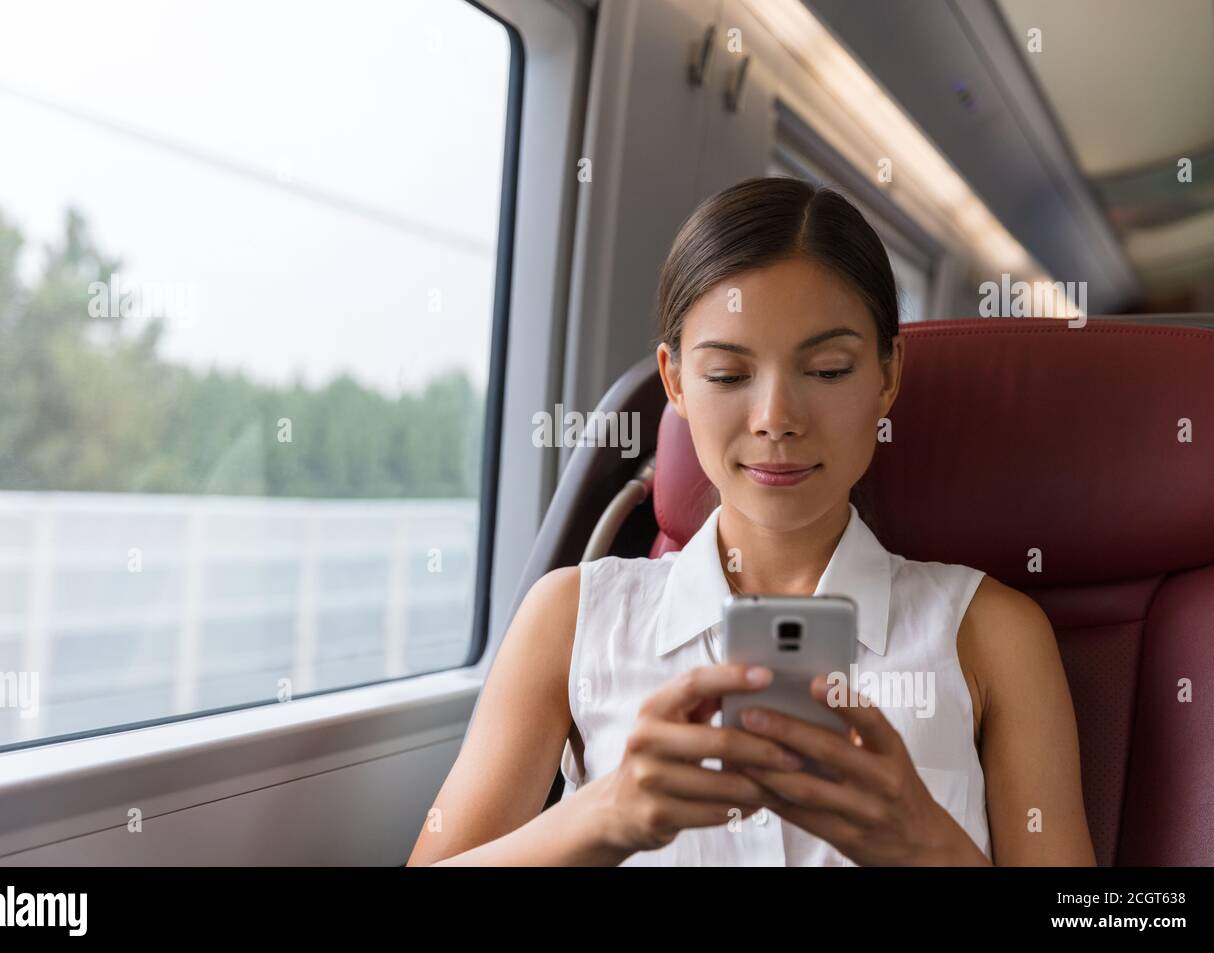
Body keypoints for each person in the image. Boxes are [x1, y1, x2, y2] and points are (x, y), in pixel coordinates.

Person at [407, 176, 1096, 866]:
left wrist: (928, 849)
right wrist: (603, 814)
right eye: (729, 376)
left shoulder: (992, 634)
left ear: (887, 376)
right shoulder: (572, 616)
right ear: (674, 383)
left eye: (827, 371)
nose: (777, 420)